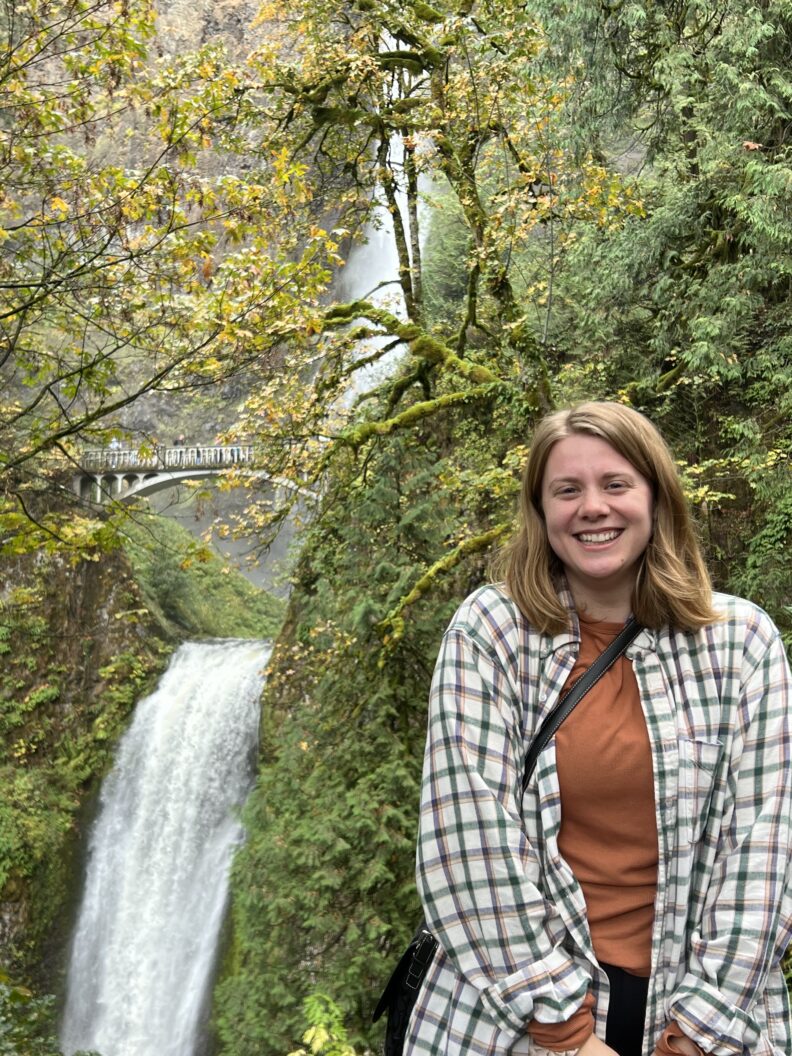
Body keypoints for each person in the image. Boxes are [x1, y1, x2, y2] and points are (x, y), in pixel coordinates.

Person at [406, 402, 792, 1056]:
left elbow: (764, 847)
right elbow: (466, 834)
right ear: (541, 512)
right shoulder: (492, 633)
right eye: (567, 490)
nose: (593, 507)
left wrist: (696, 1034)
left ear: (655, 498)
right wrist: (562, 1028)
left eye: (615, 484)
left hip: (696, 1015)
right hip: (514, 1019)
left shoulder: (741, 645)